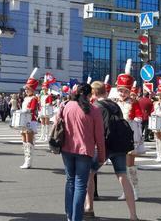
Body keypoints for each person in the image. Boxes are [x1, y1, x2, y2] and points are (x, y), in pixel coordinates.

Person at [88, 80, 138, 220]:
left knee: (89, 174)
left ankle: (89, 208)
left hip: (104, 145)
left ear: (93, 93)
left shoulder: (96, 106)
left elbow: (96, 128)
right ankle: (133, 215)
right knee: (122, 175)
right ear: (105, 91)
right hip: (120, 144)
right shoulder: (115, 104)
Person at [57, 83, 105, 221]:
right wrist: (101, 156)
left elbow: (56, 124)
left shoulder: (66, 106)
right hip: (85, 151)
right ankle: (76, 218)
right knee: (80, 185)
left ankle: (69, 215)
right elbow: (99, 136)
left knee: (70, 181)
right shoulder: (94, 110)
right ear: (90, 95)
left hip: (66, 149)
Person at [114, 60, 143, 200]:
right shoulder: (114, 103)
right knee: (121, 167)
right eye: (120, 90)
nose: (122, 93)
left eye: (125, 91)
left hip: (130, 137)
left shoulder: (134, 102)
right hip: (118, 137)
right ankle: (126, 191)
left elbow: (139, 117)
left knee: (130, 165)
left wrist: (132, 122)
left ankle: (136, 190)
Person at [18, 68, 39, 169]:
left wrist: (25, 111)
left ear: (33, 89)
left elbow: (33, 109)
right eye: (26, 89)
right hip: (24, 120)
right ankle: (25, 159)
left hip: (30, 120)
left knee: (29, 141)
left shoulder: (34, 98)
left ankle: (29, 161)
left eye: (28, 88)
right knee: (24, 141)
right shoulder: (26, 98)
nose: (26, 90)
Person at [37, 74, 55, 143]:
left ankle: (46, 136)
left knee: (47, 123)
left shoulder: (49, 95)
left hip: (47, 110)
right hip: (42, 110)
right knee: (42, 123)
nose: (44, 90)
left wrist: (46, 104)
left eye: (45, 89)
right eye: (43, 89)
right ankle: (42, 135)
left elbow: (50, 103)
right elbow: (39, 103)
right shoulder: (41, 95)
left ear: (47, 89)